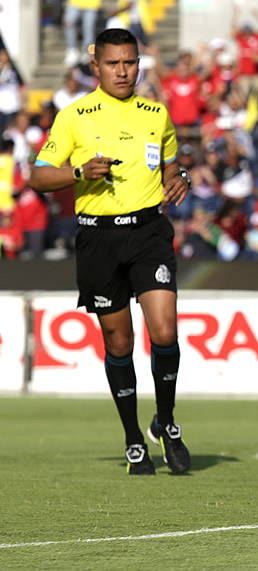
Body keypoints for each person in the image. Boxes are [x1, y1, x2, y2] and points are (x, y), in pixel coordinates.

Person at [29, 28, 193, 476]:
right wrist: (79, 171)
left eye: (131, 62)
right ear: (96, 67)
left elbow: (172, 162)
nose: (124, 71)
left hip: (148, 233)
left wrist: (182, 178)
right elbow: (38, 177)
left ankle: (167, 421)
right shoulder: (74, 116)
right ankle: (133, 438)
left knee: (164, 330)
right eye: (114, 64)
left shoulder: (156, 114)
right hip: (98, 238)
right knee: (119, 340)